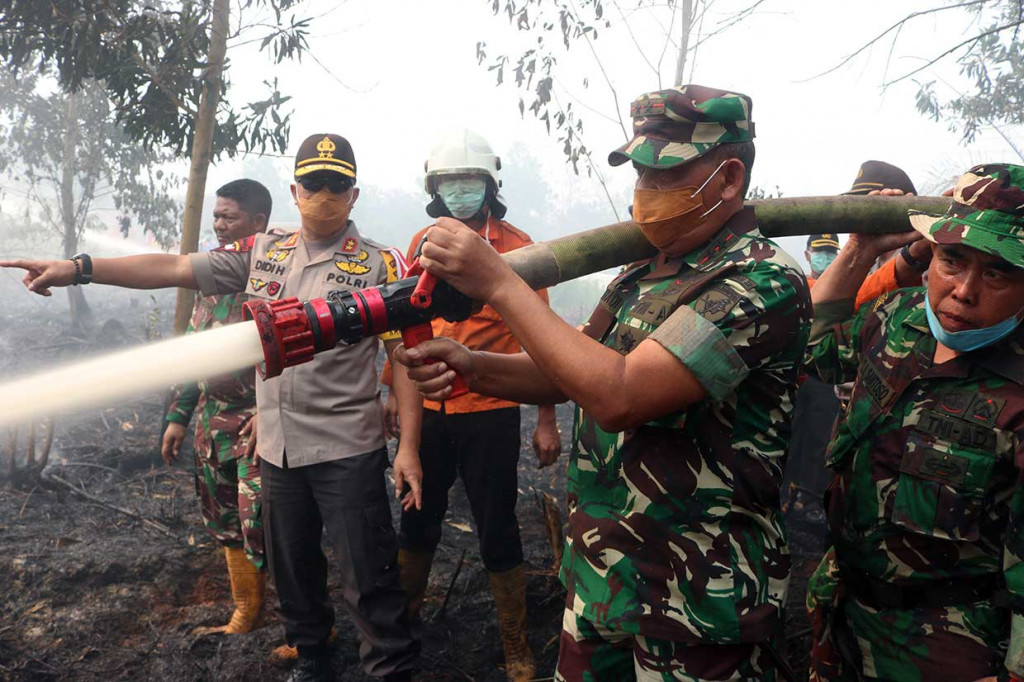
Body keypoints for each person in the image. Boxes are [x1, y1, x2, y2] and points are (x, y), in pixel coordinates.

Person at [396, 85, 811, 681]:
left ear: (728, 179)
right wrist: (472, 364)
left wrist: (500, 284)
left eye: (668, 175)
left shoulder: (760, 282)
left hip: (696, 598)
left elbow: (619, 394)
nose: (647, 192)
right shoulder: (640, 273)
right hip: (600, 577)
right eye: (641, 173)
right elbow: (571, 369)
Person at [0, 133, 423, 682]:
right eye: (313, 183)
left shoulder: (382, 264)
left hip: (347, 446)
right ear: (295, 191)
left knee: (368, 572)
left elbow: (407, 359)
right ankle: (314, 657)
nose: (324, 194)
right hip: (275, 447)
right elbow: (174, 269)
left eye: (335, 184)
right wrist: (79, 267)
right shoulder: (262, 251)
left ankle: (389, 667)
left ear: (354, 193)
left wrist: (408, 447)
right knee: (293, 567)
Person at [804, 163, 1024, 682]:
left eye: (996, 273)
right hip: (839, 615)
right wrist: (861, 249)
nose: (964, 290)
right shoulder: (896, 318)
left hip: (946, 649)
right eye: (952, 260)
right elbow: (811, 346)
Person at [380, 129, 561, 682]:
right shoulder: (422, 243)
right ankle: (403, 630)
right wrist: (394, 386)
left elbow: (542, 338)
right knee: (417, 522)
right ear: (435, 188)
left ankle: (514, 641)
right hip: (430, 409)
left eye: (469, 181)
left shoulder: (519, 248)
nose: (460, 191)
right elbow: (405, 318)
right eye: (449, 183)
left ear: (490, 184)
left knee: (498, 526)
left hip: (493, 408)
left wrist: (548, 419)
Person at [161, 178, 271, 635]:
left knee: (261, 522)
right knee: (225, 520)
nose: (219, 225)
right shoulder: (211, 276)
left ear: (258, 222)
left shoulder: (274, 277)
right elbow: (195, 351)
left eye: (230, 216)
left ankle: (301, 624)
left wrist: (272, 412)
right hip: (212, 425)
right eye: (217, 216)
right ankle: (246, 613)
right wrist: (178, 417)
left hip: (257, 424)